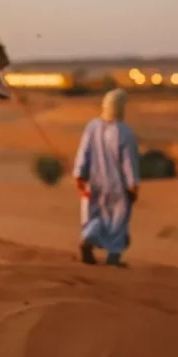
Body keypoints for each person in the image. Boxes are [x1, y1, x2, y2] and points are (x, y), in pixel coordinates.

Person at [72, 89, 140, 266]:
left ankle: (88, 240)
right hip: (118, 187)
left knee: (94, 215)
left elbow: (83, 151)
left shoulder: (92, 126)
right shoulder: (125, 133)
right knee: (118, 220)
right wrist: (133, 186)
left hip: (94, 182)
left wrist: (79, 174)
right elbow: (129, 163)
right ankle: (113, 257)